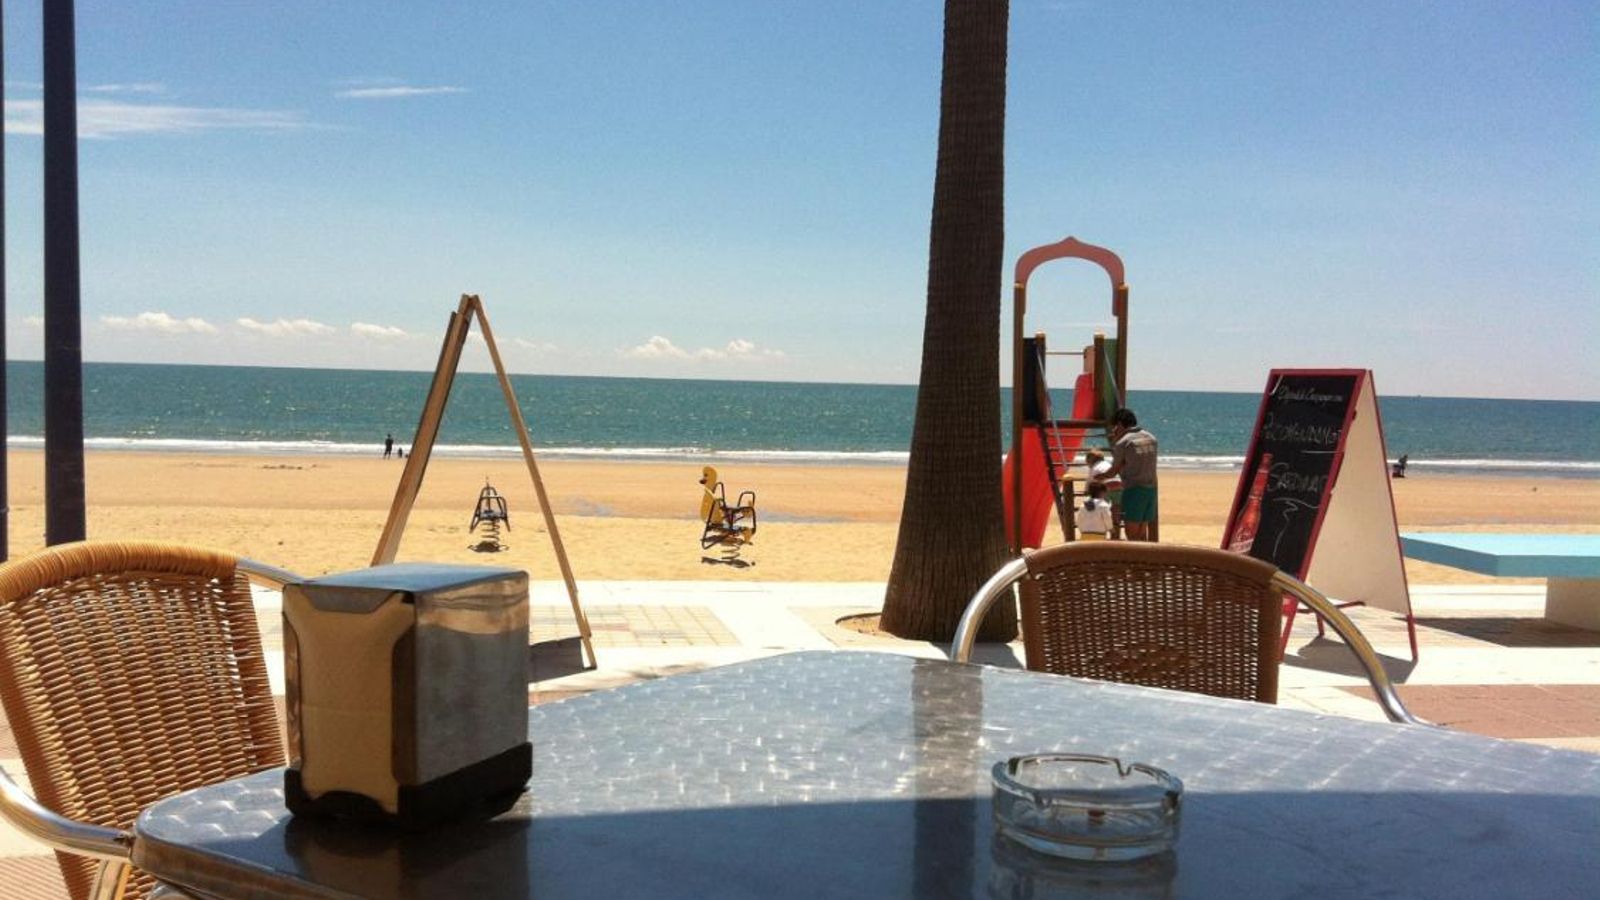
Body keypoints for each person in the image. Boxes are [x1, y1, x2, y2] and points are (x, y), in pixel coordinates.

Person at [1096, 408, 1158, 541]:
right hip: (1151, 490)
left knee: (1132, 534)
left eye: (1114, 427)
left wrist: (1098, 477)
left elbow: (1113, 471)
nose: (1113, 431)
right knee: (1142, 533)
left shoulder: (1123, 443)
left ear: (1119, 424)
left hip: (1134, 490)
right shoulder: (1151, 438)